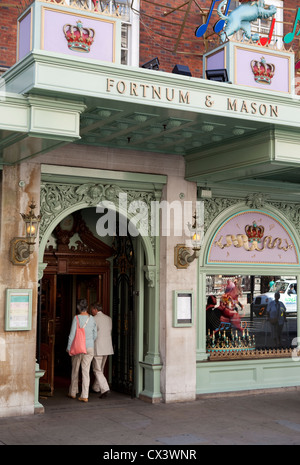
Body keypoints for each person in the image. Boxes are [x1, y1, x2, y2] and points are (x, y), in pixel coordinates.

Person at [67, 299, 97, 402]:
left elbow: (72, 334)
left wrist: (68, 348)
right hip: (89, 348)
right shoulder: (92, 319)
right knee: (86, 371)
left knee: (75, 370)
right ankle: (85, 395)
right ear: (87, 307)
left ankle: (73, 392)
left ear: (78, 308)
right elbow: (95, 335)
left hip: (78, 347)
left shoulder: (76, 318)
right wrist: (89, 342)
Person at [90, 302, 114, 399]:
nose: (91, 311)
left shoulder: (93, 319)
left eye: (92, 309)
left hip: (98, 347)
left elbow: (92, 334)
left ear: (95, 309)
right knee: (101, 369)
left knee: (97, 369)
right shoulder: (109, 318)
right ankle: (96, 387)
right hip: (107, 347)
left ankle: (105, 388)